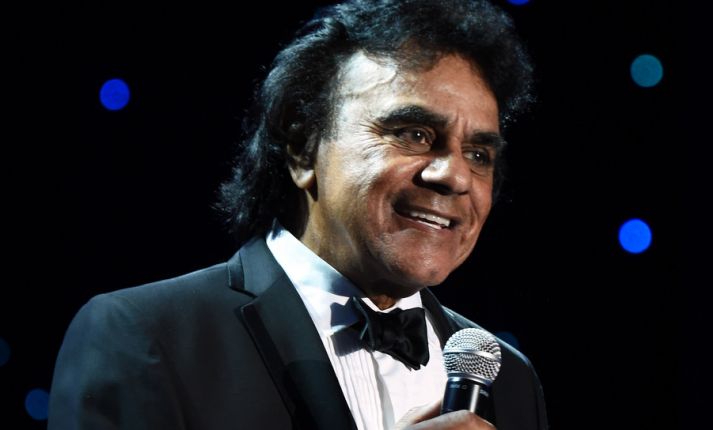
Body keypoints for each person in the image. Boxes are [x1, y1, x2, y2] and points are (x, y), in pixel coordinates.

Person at [49, 0, 547, 428]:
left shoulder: (510, 378)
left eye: (478, 154)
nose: (455, 176)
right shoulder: (146, 335)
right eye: (413, 134)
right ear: (303, 148)